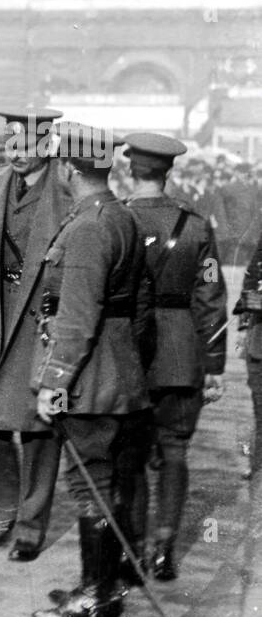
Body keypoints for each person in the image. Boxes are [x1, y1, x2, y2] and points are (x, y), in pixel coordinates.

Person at [30, 123, 151, 617]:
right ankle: (103, 583)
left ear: (67, 169)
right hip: (120, 372)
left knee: (89, 487)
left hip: (90, 379)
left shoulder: (86, 228)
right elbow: (137, 304)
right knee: (110, 483)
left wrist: (55, 383)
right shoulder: (121, 216)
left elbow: (77, 319)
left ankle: (95, 597)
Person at [0, 107, 70, 560]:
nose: (17, 153)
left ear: (47, 145)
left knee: (38, 425)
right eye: (10, 144)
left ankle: (30, 523)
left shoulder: (66, 186)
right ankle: (2, 506)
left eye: (26, 145)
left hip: (40, 318)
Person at [115, 133, 226, 582]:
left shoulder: (115, 220)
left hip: (129, 352)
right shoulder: (196, 225)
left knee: (134, 454)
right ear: (169, 172)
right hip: (182, 352)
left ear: (129, 169)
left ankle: (136, 549)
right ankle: (165, 549)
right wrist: (214, 365)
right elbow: (212, 297)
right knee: (175, 451)